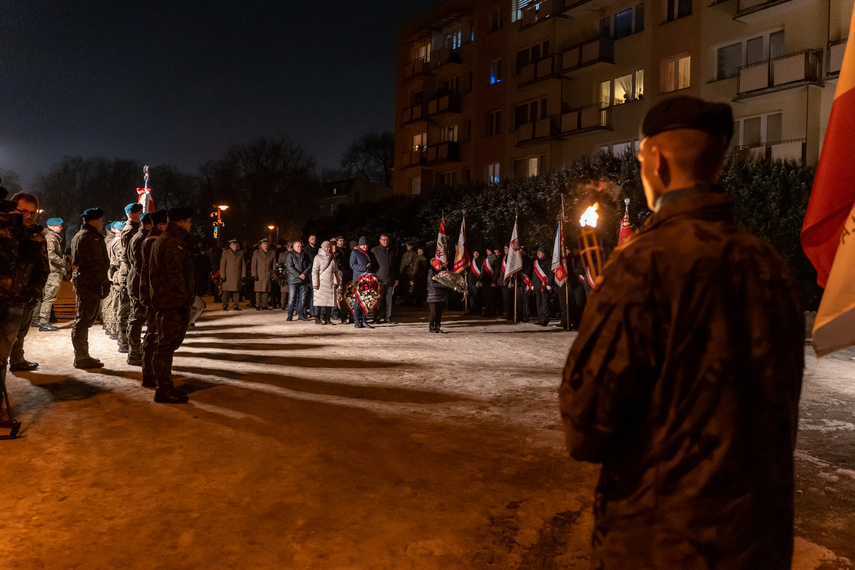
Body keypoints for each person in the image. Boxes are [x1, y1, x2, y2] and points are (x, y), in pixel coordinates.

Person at [559, 96, 804, 568]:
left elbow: (585, 425)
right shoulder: (771, 266)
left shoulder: (643, 265)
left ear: (657, 159)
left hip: (663, 544)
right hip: (757, 544)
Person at [149, 207, 195, 404]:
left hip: (168, 301)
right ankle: (163, 388)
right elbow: (173, 276)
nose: (190, 225)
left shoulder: (167, 239)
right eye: (189, 222)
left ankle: (164, 385)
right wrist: (183, 302)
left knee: (165, 344)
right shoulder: (172, 243)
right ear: (181, 222)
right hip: (172, 303)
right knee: (166, 345)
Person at [6, 193, 49, 373]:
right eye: (24, 211)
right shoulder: (4, 233)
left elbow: (42, 269)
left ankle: (17, 359)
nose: (29, 216)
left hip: (23, 297)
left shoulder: (37, 238)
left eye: (32, 213)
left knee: (19, 333)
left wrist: (35, 291)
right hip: (3, 297)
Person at [70, 208, 111, 369]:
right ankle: (81, 356)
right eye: (101, 220)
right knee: (83, 320)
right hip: (89, 281)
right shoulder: (90, 237)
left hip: (85, 280)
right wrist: (104, 282)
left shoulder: (81, 235)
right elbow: (96, 263)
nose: (102, 223)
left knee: (84, 318)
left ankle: (82, 355)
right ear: (94, 221)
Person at [139, 210, 168, 387]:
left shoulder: (153, 240)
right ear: (160, 225)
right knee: (153, 334)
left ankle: (150, 371)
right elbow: (152, 273)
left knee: (154, 334)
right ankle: (149, 372)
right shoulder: (152, 242)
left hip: (152, 293)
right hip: (153, 294)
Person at [126, 212, 153, 366]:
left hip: (139, 283)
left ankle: (136, 351)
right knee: (137, 318)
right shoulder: (141, 238)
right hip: (139, 284)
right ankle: (134, 353)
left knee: (138, 317)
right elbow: (138, 265)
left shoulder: (140, 236)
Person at [34, 217, 65, 332]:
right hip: (53, 271)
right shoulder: (51, 238)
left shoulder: (52, 237)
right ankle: (44, 322)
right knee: (49, 296)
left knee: (46, 296)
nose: (61, 228)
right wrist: (62, 263)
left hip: (51, 271)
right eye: (59, 226)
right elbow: (51, 255)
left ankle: (38, 319)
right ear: (52, 226)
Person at [370, 234, 399, 324]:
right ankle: (377, 317)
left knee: (389, 300)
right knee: (378, 300)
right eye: (383, 240)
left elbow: (395, 266)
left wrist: (396, 278)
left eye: (387, 240)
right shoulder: (374, 250)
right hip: (379, 279)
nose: (385, 241)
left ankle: (388, 317)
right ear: (380, 240)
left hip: (390, 279)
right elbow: (371, 264)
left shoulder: (391, 251)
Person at [311, 240, 339, 325]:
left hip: (330, 282)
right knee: (319, 301)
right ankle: (317, 318)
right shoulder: (318, 257)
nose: (328, 248)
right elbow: (315, 271)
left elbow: (335, 270)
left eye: (329, 247)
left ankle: (327, 319)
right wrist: (315, 283)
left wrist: (336, 281)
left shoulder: (332, 257)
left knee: (329, 302)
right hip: (321, 283)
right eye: (326, 247)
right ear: (322, 247)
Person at [349, 236, 373, 329]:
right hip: (358, 279)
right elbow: (352, 265)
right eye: (363, 245)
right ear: (359, 245)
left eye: (366, 245)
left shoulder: (367, 254)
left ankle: (364, 320)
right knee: (358, 301)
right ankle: (356, 321)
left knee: (365, 300)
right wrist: (364, 268)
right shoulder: (355, 252)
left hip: (366, 279)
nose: (365, 247)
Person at [285, 240, 311, 321]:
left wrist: (304, 274)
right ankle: (290, 315)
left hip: (303, 280)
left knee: (302, 298)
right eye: (298, 246)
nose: (300, 248)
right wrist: (299, 275)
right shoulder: (290, 255)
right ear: (293, 247)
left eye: (300, 246)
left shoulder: (305, 255)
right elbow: (290, 267)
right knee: (292, 298)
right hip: (293, 280)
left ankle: (301, 314)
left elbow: (309, 265)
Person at [425, 258, 450, 333]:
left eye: (441, 265)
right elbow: (432, 283)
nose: (440, 266)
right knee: (434, 313)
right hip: (433, 296)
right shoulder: (431, 272)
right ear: (435, 266)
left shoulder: (443, 272)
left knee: (439, 313)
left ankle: (437, 327)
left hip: (441, 296)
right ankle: (431, 327)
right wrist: (443, 285)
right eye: (439, 265)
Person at [220, 239, 246, 310]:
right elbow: (222, 265)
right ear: (230, 246)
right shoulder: (225, 253)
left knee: (236, 291)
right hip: (228, 276)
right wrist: (223, 275)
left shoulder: (240, 253)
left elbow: (243, 264)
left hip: (237, 275)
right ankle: (225, 305)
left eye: (236, 245)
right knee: (226, 292)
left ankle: (236, 305)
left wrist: (243, 275)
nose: (235, 246)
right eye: (233, 245)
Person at [251, 238, 275, 310]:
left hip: (267, 274)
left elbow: (273, 264)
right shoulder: (256, 253)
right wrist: (254, 274)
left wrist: (273, 273)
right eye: (264, 244)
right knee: (258, 290)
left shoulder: (272, 253)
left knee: (266, 289)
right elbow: (254, 265)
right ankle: (258, 304)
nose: (266, 245)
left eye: (267, 244)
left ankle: (264, 304)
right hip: (259, 274)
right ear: (260, 245)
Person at [532, 246, 553, 326]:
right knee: (539, 303)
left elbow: (550, 273)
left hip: (544, 285)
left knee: (545, 303)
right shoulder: (536, 262)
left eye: (540, 253)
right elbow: (534, 274)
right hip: (537, 285)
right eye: (537, 253)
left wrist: (549, 284)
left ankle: (545, 319)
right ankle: (540, 318)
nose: (538, 254)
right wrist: (533, 284)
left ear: (544, 253)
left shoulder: (548, 261)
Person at [304, 234, 319, 317]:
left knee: (314, 293)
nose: (314, 240)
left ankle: (312, 310)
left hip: (315, 273)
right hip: (308, 273)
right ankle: (302, 311)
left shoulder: (317, 250)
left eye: (315, 239)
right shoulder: (305, 250)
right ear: (309, 240)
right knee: (305, 294)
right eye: (312, 239)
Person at [466, 249, 483, 316]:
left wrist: (479, 281)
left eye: (477, 253)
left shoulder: (481, 261)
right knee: (471, 296)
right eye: (474, 253)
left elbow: (481, 272)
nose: (475, 255)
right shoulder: (471, 260)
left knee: (477, 296)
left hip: (477, 281)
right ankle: (472, 310)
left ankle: (478, 310)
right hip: (471, 280)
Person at [277, 242, 291, 310]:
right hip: (284, 274)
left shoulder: (294, 254)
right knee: (284, 290)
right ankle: (283, 304)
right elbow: (280, 264)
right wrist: (281, 273)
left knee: (291, 290)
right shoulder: (282, 254)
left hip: (292, 274)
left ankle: (290, 303)